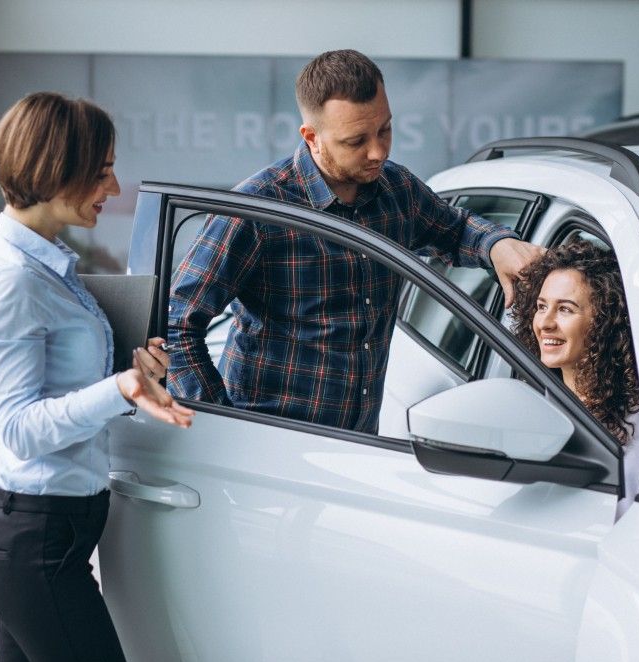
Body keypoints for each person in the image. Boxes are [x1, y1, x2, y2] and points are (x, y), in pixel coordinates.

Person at [167, 49, 542, 434]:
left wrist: (498, 245)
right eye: (356, 140)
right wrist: (221, 426)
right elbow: (176, 322)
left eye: (385, 129)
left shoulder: (398, 191)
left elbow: (456, 230)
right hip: (268, 444)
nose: (378, 151)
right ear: (311, 137)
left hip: (359, 448)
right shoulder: (259, 209)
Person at [0, 92, 194, 662]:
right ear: (52, 170)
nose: (113, 191)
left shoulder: (49, 266)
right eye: (101, 174)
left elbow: (66, 387)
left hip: (52, 536)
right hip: (34, 540)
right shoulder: (13, 279)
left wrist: (132, 375)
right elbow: (17, 427)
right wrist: (119, 390)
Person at [509, 240, 639, 519]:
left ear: (605, 321)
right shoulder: (529, 407)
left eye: (565, 309)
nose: (545, 323)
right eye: (540, 306)